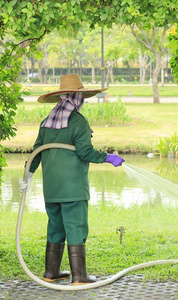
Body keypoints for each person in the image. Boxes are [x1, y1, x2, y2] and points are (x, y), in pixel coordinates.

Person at [20, 74, 125, 285]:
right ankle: (79, 276)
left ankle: (51, 273)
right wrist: (108, 158)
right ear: (78, 97)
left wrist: (28, 176)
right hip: (73, 188)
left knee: (56, 226)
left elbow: (36, 152)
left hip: (52, 189)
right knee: (76, 227)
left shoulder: (47, 121)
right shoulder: (78, 122)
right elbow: (85, 152)